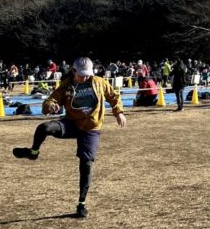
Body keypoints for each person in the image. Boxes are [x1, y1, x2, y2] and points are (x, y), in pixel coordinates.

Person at [12, 56, 125, 219]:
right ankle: (33, 152)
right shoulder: (66, 86)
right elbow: (50, 101)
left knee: (86, 164)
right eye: (81, 74)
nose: (85, 77)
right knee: (44, 127)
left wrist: (119, 112)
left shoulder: (99, 82)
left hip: (91, 128)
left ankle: (81, 204)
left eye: (88, 74)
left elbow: (114, 96)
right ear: (73, 71)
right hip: (71, 123)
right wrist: (50, 106)